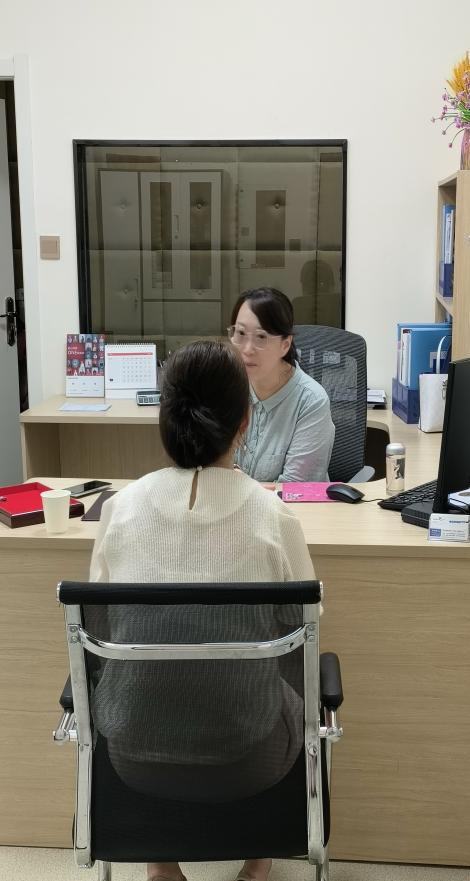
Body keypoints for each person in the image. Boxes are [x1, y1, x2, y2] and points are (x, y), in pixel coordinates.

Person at [89, 340, 316, 881]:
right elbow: (305, 629)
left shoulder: (119, 511)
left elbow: (102, 629)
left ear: (164, 418)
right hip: (251, 759)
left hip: (133, 756)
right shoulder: (273, 517)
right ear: (244, 422)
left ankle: (160, 862)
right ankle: (258, 856)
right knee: (294, 679)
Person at [229, 287, 335, 483]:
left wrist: (238, 485)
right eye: (240, 333)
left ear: (285, 344)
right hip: (232, 501)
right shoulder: (227, 387)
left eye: (261, 337)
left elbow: (296, 490)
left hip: (286, 505)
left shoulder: (311, 401)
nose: (247, 349)